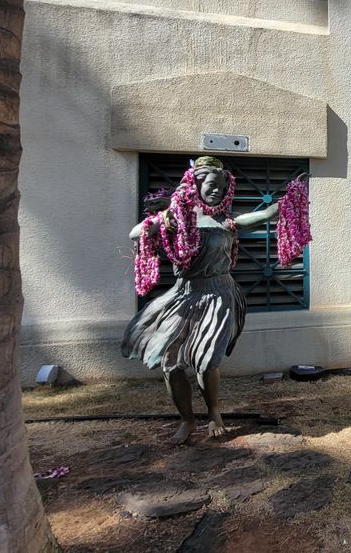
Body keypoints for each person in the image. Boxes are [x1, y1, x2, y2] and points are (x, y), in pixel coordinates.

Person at [121, 156, 309, 445]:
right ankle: (187, 419)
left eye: (222, 187)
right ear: (195, 185)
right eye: (211, 186)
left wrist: (288, 201)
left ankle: (214, 414)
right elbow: (136, 233)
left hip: (219, 295)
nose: (217, 192)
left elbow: (264, 215)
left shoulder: (226, 221)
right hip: (184, 295)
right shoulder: (177, 218)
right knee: (170, 363)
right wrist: (165, 216)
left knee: (207, 361)